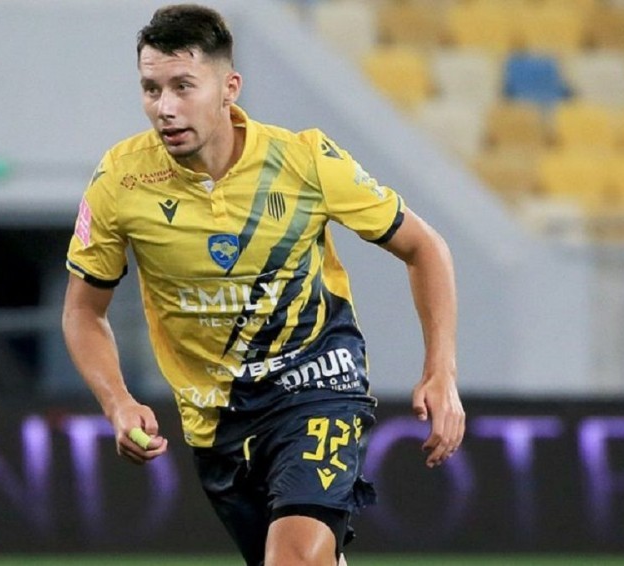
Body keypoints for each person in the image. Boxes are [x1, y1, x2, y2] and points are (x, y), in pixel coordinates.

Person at [62, 5, 464, 565]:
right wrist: (118, 403)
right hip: (217, 420)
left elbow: (426, 248)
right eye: (151, 89)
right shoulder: (121, 181)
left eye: (183, 86)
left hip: (316, 384)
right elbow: (84, 312)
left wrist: (441, 372)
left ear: (229, 88)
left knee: (292, 559)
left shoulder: (304, 161)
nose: (165, 108)